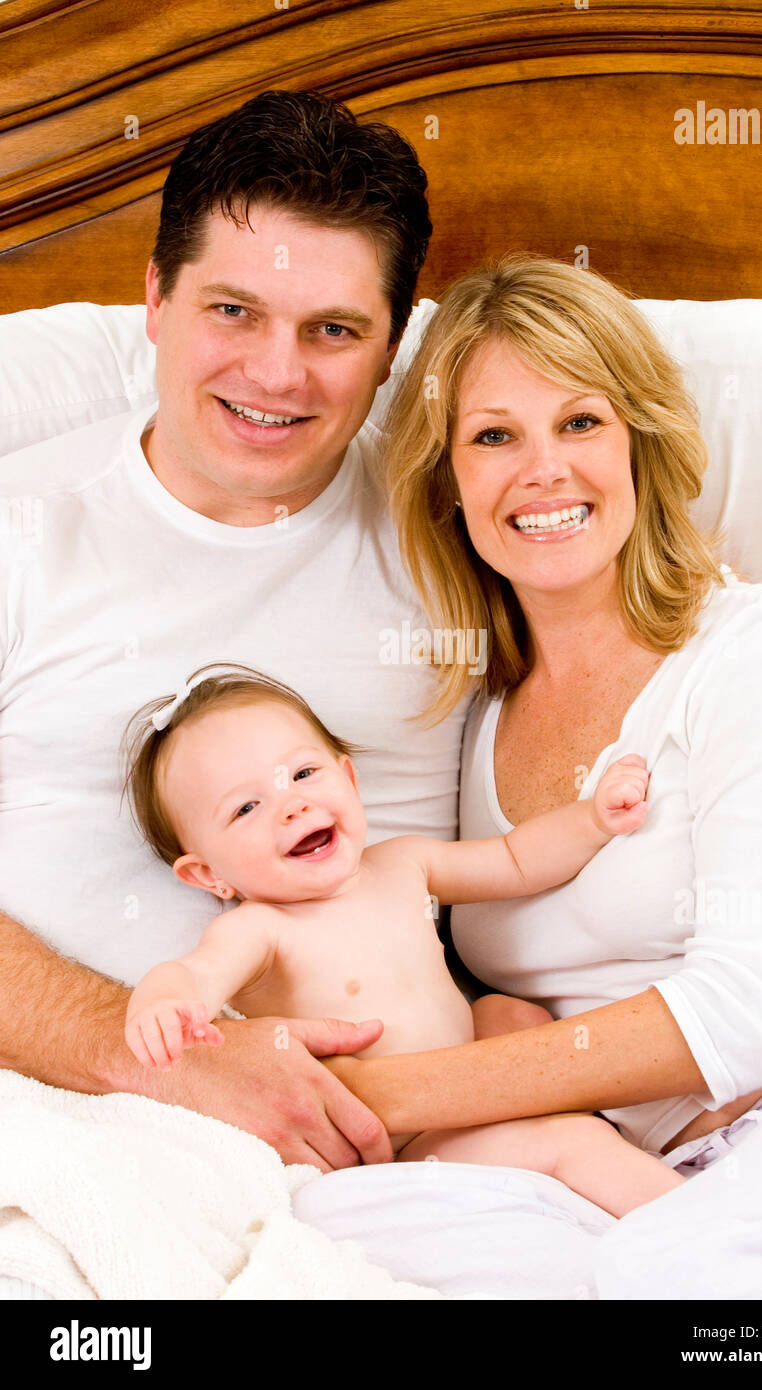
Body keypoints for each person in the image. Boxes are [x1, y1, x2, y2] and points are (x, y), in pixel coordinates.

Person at [292, 256, 762, 1298]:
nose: (542, 470)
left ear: (641, 442)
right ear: (448, 479)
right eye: (494, 435)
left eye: (581, 422)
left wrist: (385, 1090)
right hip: (618, 1166)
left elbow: (735, 1014)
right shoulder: (474, 717)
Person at [0, 87, 463, 1175]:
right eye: (233, 310)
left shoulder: (463, 545)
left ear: (392, 347)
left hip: (399, 1136)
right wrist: (151, 1056)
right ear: (155, 298)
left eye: (332, 330)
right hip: (55, 1116)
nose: (275, 373)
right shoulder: (23, 533)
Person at [119, 662, 685, 1217]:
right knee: (570, 1143)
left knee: (513, 1016)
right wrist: (163, 1003)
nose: (292, 804)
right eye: (246, 807)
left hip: (472, 1088)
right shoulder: (260, 930)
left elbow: (515, 860)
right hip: (406, 1149)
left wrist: (591, 821)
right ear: (207, 876)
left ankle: (596, 1153)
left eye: (303, 774)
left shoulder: (404, 864)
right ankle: (702, 1228)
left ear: (350, 779)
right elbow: (196, 973)